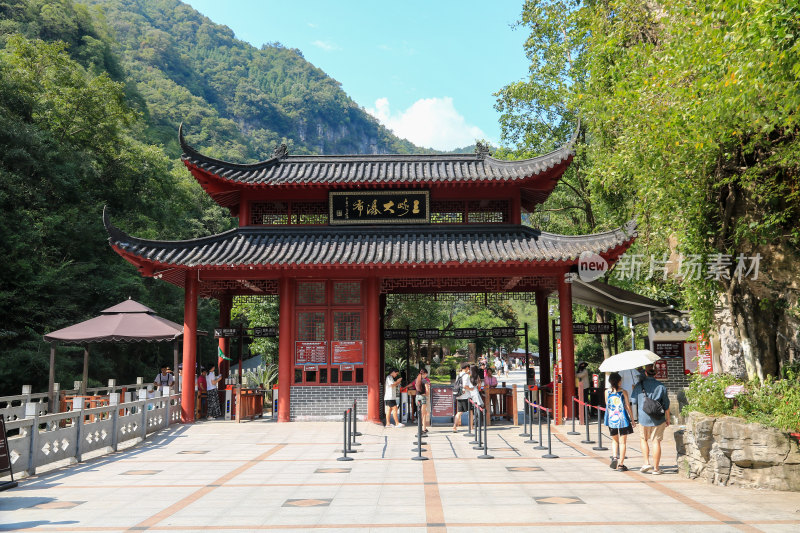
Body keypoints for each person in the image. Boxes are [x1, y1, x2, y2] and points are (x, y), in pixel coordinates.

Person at [631, 364, 671, 475]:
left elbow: (633, 401)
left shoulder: (639, 385)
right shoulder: (661, 386)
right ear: (656, 373)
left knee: (644, 439)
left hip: (643, 418)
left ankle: (646, 463)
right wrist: (668, 418)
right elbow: (666, 404)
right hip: (658, 418)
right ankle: (656, 469)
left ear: (645, 373)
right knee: (656, 441)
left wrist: (635, 389)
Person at [605, 372, 635, 471]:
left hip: (612, 420)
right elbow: (627, 406)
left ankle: (614, 457)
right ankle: (621, 464)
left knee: (614, 440)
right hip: (623, 420)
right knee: (623, 443)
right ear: (619, 381)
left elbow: (607, 405)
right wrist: (633, 420)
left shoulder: (607, 392)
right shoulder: (624, 392)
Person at [452, 363, 472, 432]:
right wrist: (471, 389)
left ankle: (454, 426)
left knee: (459, 412)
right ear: (466, 368)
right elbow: (465, 386)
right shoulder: (466, 376)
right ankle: (471, 426)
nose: (469, 369)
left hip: (458, 395)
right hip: (465, 396)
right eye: (468, 368)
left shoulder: (458, 375)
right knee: (470, 410)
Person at [414, 368, 430, 434]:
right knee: (423, 414)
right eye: (426, 374)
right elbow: (427, 391)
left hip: (417, 397)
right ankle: (422, 429)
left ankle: (424, 428)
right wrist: (426, 394)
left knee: (420, 413)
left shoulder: (416, 380)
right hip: (422, 398)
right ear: (424, 374)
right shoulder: (424, 381)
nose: (426, 376)